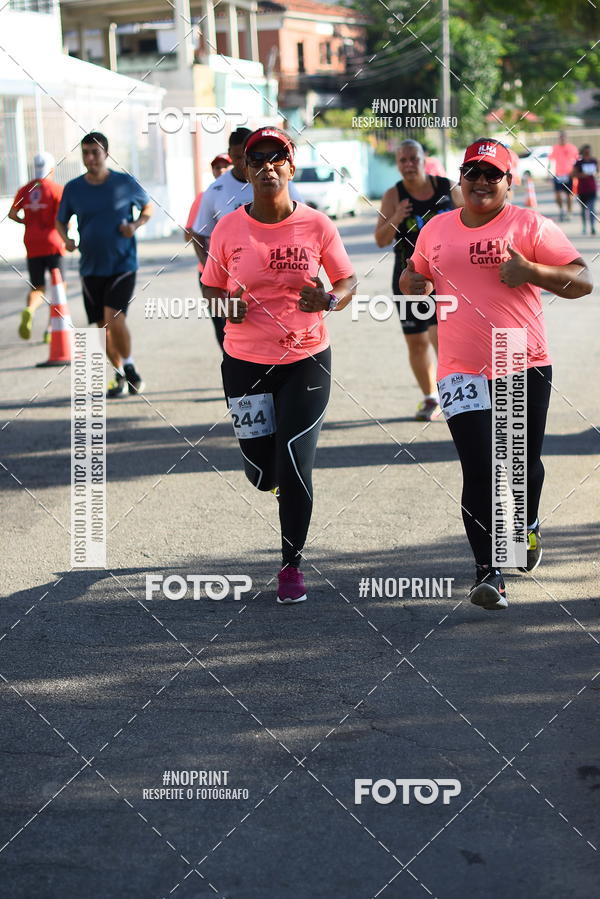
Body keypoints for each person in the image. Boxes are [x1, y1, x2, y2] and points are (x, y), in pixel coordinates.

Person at [400, 138, 592, 610]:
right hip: (459, 368)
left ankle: (524, 524)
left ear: (508, 182)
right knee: (481, 467)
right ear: (460, 179)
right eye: (473, 173)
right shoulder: (437, 229)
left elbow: (582, 282)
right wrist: (413, 282)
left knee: (520, 465)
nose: (481, 182)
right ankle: (489, 572)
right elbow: (413, 275)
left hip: (520, 359)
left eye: (492, 174)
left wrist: (531, 271)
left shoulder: (530, 224)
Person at [201, 127, 356, 605]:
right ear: (245, 170)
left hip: (306, 359)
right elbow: (210, 288)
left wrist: (328, 298)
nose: (267, 166)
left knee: (294, 461)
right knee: (260, 471)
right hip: (245, 362)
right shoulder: (228, 228)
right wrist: (228, 306)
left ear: (291, 167)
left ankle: (291, 564)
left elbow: (348, 282)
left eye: (277, 158)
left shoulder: (317, 225)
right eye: (258, 159)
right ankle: (270, 480)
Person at [56, 132, 152, 398]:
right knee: (101, 327)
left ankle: (130, 368)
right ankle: (120, 376)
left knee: (113, 317)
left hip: (122, 264)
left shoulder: (124, 183)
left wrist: (134, 225)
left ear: (106, 155)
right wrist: (67, 240)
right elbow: (60, 221)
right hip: (90, 267)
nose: (89, 158)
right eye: (85, 153)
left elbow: (147, 208)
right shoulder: (73, 188)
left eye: (94, 153)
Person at [375, 139, 463, 421]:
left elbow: (472, 219)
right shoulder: (394, 195)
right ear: (398, 165)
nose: (409, 164)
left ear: (425, 159)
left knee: (442, 337)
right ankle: (430, 398)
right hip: (408, 280)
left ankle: (454, 393)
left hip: (447, 279)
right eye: (403, 160)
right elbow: (380, 239)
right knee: (417, 342)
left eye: (414, 158)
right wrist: (397, 216)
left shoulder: (447, 188)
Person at [191, 128, 303, 349]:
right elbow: (198, 233)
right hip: (225, 279)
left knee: (276, 333)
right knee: (228, 333)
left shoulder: (283, 184)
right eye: (243, 157)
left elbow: (301, 224)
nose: (241, 160)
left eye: (271, 157)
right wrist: (212, 269)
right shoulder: (216, 190)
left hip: (274, 272)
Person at [9, 152, 65, 343]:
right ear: (51, 169)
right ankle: (51, 328)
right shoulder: (57, 190)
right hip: (53, 242)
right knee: (59, 287)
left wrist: (27, 222)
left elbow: (12, 214)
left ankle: (30, 309)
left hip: (32, 242)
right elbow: (62, 218)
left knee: (37, 286)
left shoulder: (25, 190)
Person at [184, 153, 232, 348]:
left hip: (238, 273)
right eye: (216, 167)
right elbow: (190, 233)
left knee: (242, 323)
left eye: (224, 166)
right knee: (222, 327)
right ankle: (230, 370)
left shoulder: (248, 192)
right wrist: (209, 266)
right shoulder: (205, 197)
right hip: (210, 273)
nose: (220, 171)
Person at [549, 131, 579, 221]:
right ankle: (561, 209)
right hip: (558, 175)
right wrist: (549, 173)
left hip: (569, 175)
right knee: (557, 195)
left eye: (563, 137)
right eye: (560, 137)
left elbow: (577, 161)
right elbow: (551, 161)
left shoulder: (572, 148)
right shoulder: (555, 148)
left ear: (566, 138)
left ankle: (569, 212)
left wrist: (575, 172)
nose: (562, 139)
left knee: (569, 195)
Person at [571, 145, 598, 235]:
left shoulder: (594, 161)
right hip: (582, 189)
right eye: (586, 152)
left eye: (589, 152)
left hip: (592, 188)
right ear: (583, 152)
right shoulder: (579, 163)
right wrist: (582, 175)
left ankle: (592, 227)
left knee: (591, 208)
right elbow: (572, 175)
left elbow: (597, 171)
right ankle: (584, 227)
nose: (587, 154)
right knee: (583, 210)